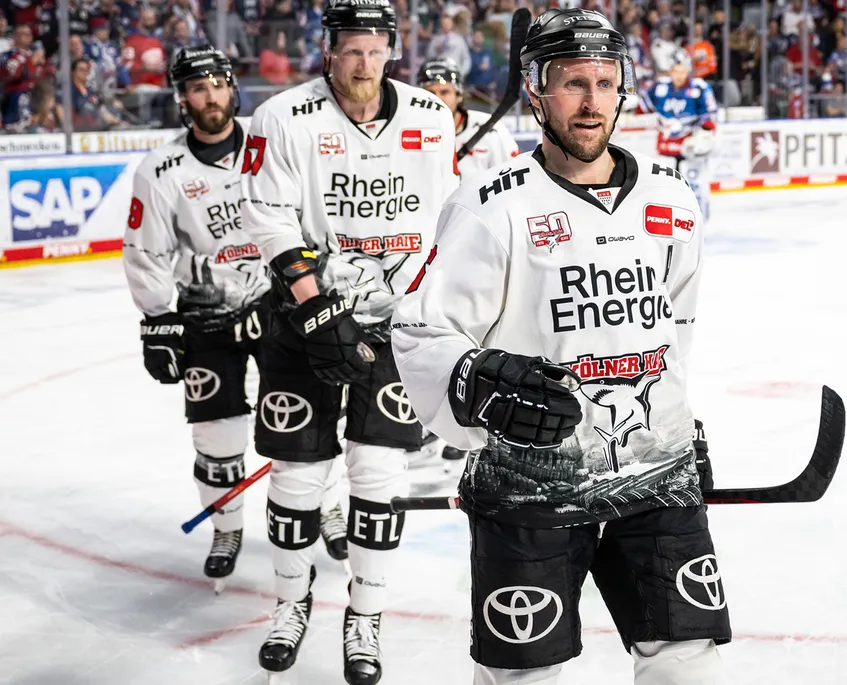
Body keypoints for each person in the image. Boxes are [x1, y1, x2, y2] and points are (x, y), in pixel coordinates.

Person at [391, 8, 730, 685]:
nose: (592, 101)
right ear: (536, 90)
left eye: (606, 82)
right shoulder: (491, 205)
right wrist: (475, 377)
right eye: (573, 83)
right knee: (526, 674)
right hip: (530, 484)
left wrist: (677, 421)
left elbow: (677, 329)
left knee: (688, 665)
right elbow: (421, 325)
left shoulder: (670, 199)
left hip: (651, 471)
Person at [238, 0, 458, 682]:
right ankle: (291, 601)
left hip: (393, 323)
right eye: (350, 49)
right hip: (304, 321)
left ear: (391, 50)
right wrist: (318, 313)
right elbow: (267, 217)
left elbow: (448, 216)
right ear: (327, 50)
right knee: (298, 475)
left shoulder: (427, 117)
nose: (362, 63)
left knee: (379, 476)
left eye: (374, 49)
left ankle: (365, 618)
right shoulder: (282, 117)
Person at [122, 47, 272, 594]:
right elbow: (145, 251)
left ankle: (323, 510)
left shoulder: (269, 141)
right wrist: (157, 320)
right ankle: (226, 528)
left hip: (278, 304)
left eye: (216, 84)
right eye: (196, 88)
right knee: (216, 433)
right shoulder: (160, 169)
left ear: (232, 87)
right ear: (182, 98)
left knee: (306, 419)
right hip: (206, 316)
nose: (210, 96)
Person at [643, 51, 717, 219]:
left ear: (688, 70)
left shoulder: (700, 87)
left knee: (696, 188)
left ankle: (699, 223)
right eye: (675, 71)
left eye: (682, 71)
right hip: (666, 150)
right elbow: (644, 105)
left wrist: (702, 137)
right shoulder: (660, 86)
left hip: (689, 150)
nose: (678, 75)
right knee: (663, 192)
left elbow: (710, 116)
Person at [417, 59, 519, 180]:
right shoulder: (406, 130)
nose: (437, 99)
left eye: (444, 92)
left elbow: (515, 179)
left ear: (459, 95)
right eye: (430, 92)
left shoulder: (491, 129)